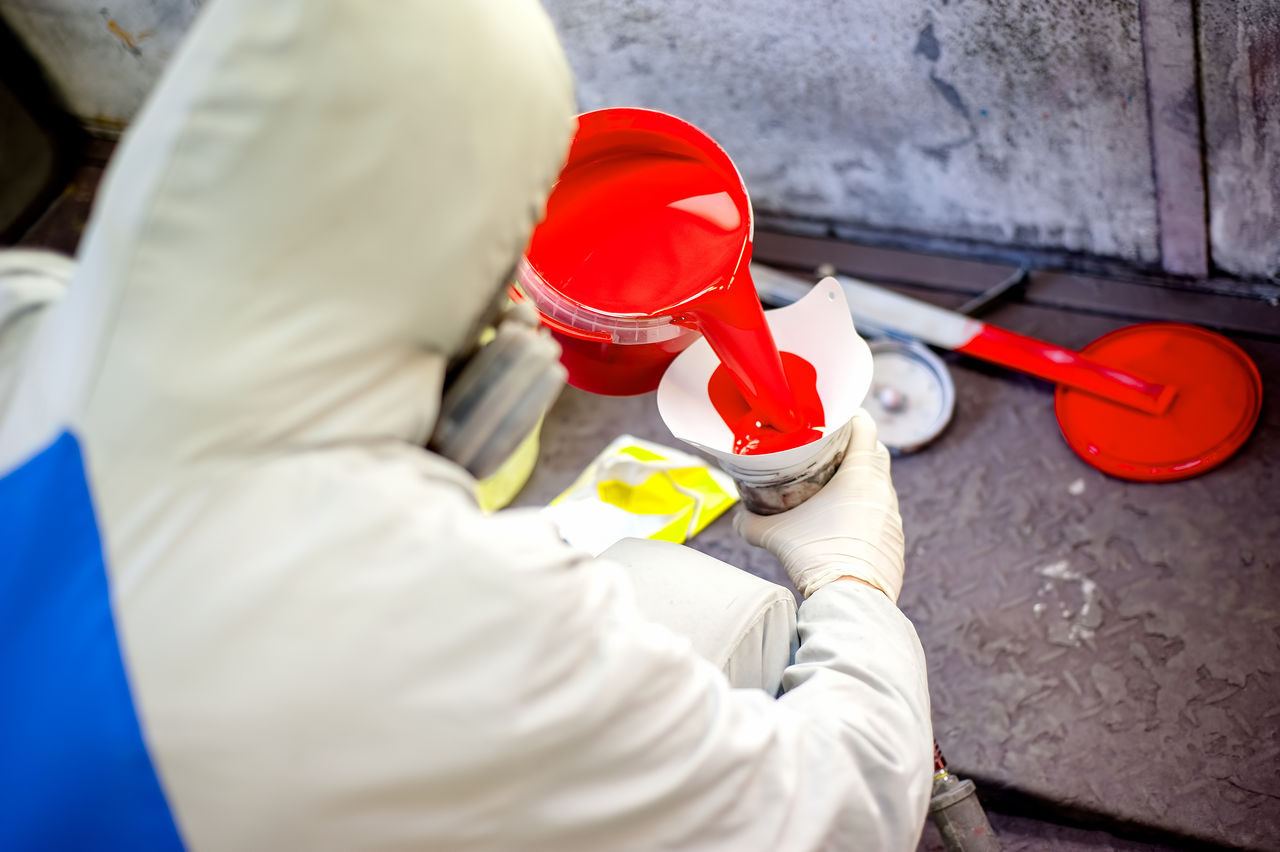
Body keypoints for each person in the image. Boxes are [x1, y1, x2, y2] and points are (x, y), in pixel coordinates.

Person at [0, 1, 933, 849]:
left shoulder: (28, 318)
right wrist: (850, 581)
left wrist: (388, 433)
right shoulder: (459, 622)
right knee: (720, 618)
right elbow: (843, 811)